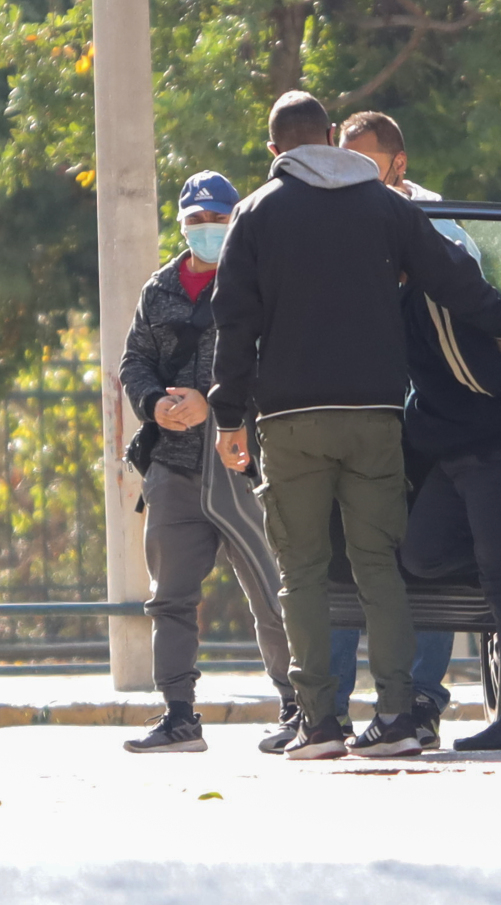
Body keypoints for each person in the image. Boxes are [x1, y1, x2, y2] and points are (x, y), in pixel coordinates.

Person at [208, 91, 501, 760]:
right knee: (381, 565)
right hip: (375, 415)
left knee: (303, 569)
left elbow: (234, 323)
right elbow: (451, 275)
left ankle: (319, 721)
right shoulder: (388, 206)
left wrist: (229, 415)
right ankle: (399, 714)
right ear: (329, 136)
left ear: (274, 151)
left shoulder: (254, 214)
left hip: (288, 421)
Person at [330, 111, 501, 750]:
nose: (354, 178)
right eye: (344, 164)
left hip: (498, 441)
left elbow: (474, 367)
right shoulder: (372, 243)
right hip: (456, 448)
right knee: (423, 555)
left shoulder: (431, 246)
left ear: (397, 166)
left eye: (365, 163)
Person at [119, 171, 297, 754]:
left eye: (217, 220)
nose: (207, 230)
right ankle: (178, 715)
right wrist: (155, 405)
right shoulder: (160, 289)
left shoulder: (260, 280)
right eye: (196, 221)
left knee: (273, 590)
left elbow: (278, 363)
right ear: (182, 225)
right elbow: (135, 362)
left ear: (235, 219)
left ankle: (298, 706)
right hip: (173, 466)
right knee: (169, 597)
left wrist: (214, 404)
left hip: (243, 461)